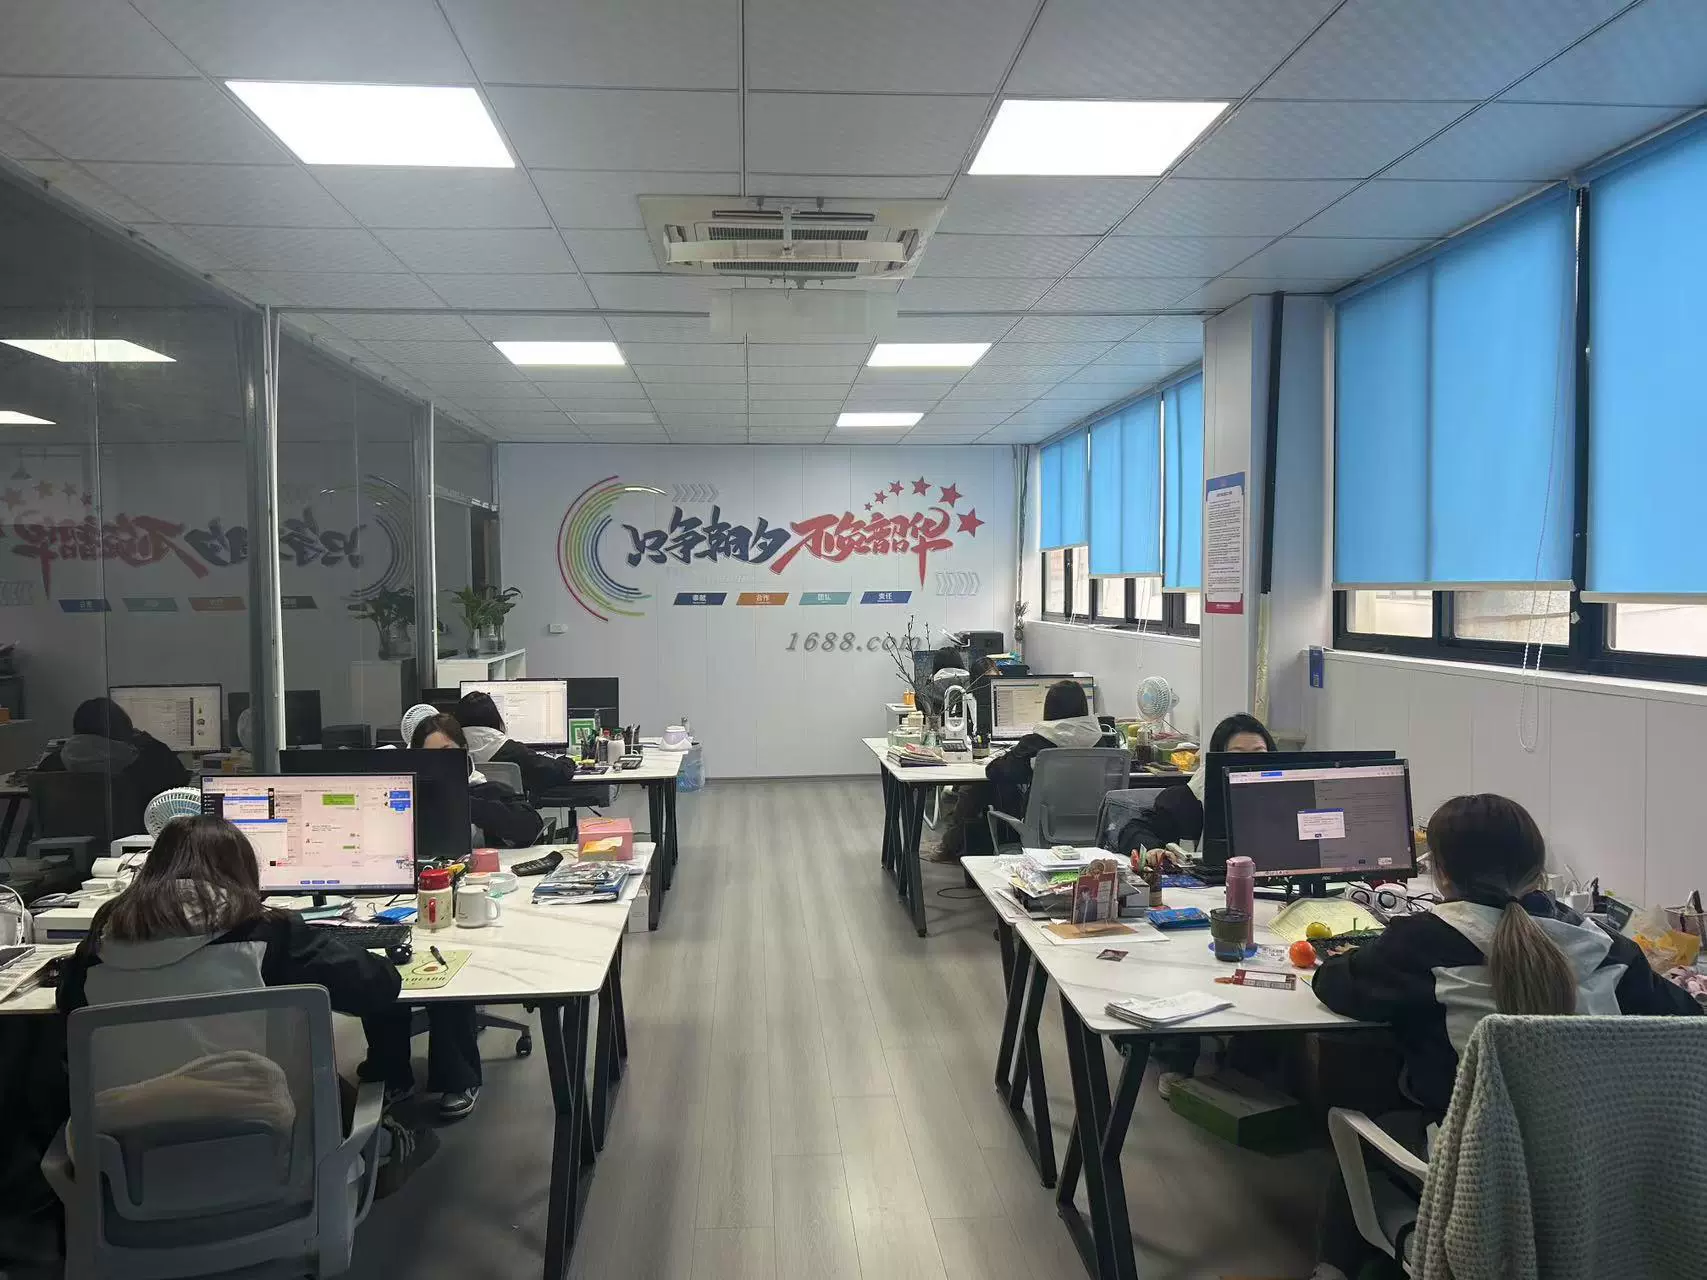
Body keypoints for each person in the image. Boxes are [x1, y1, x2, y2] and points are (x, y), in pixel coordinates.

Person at [1306, 793, 1700, 1280]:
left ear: (1440, 873)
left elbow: (1335, 984)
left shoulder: (1422, 941)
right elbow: (1687, 1021)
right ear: (1538, 872)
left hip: (1479, 1172)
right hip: (1603, 1175)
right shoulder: (1610, 950)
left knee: (1373, 1115)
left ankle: (1335, 1268)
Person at [56, 815, 436, 1194]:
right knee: (323, 1076)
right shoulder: (269, 936)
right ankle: (386, 1146)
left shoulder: (93, 955)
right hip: (275, 1157)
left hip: (128, 1172)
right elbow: (378, 985)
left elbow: (66, 1029)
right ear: (240, 871)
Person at [1120, 712, 1276, 856]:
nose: (1249, 764)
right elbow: (1133, 831)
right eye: (1237, 755)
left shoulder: (1281, 797)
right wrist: (1154, 850)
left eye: (1259, 754)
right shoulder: (1185, 799)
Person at [410, 711, 545, 848]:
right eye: (430, 757)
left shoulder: (485, 790)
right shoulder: (413, 797)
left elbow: (530, 827)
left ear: (464, 749)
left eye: (446, 752)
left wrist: (464, 804)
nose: (439, 762)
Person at [982, 679, 1103, 822]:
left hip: (1043, 828)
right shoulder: (1101, 743)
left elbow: (995, 771)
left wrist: (1012, 753)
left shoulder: (1035, 744)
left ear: (1049, 708)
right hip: (1095, 828)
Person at [36, 696, 191, 804]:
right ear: (125, 730)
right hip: (129, 839)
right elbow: (181, 787)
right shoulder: (148, 762)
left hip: (65, 840)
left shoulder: (51, 765)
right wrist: (151, 743)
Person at [454, 691, 580, 798]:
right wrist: (567, 762)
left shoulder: (449, 753)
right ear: (495, 719)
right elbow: (555, 772)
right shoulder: (513, 751)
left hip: (461, 817)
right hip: (508, 816)